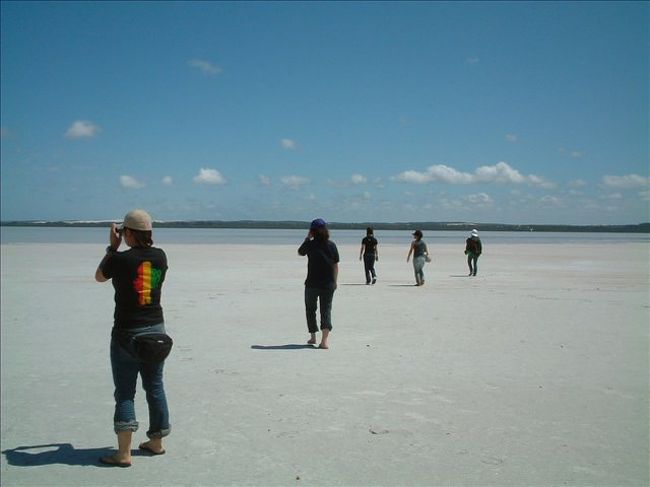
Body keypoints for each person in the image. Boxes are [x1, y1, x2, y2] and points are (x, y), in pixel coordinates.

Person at [95, 209, 170, 467]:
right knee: (155, 386)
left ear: (127, 232)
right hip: (156, 330)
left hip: (127, 332)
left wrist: (112, 248)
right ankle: (156, 442)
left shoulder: (120, 259)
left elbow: (99, 277)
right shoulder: (160, 256)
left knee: (125, 392)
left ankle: (124, 453)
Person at [298, 218, 339, 349]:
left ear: (312, 231)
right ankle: (324, 341)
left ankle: (313, 337)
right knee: (326, 310)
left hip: (312, 283)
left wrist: (307, 238)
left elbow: (300, 252)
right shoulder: (331, 245)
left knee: (310, 310)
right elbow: (335, 265)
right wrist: (335, 281)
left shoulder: (310, 245)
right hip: (328, 284)